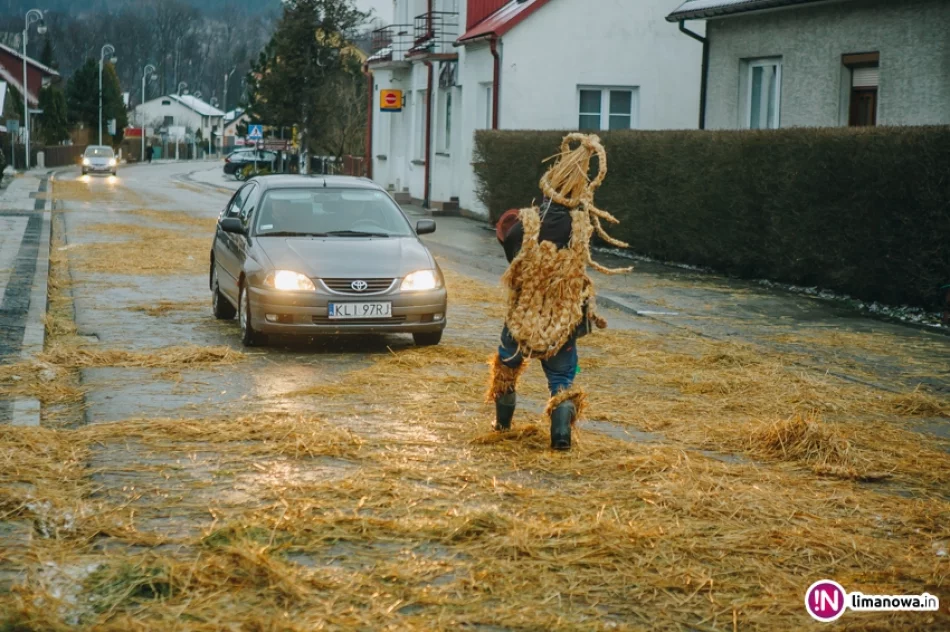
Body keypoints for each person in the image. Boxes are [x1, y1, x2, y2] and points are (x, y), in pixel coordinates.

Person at [487, 133, 631, 450]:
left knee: (506, 369)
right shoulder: (580, 226)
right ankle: (561, 435)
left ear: (549, 183)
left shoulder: (524, 224)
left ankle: (501, 426)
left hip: (522, 317)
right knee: (562, 381)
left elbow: (511, 257)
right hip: (562, 322)